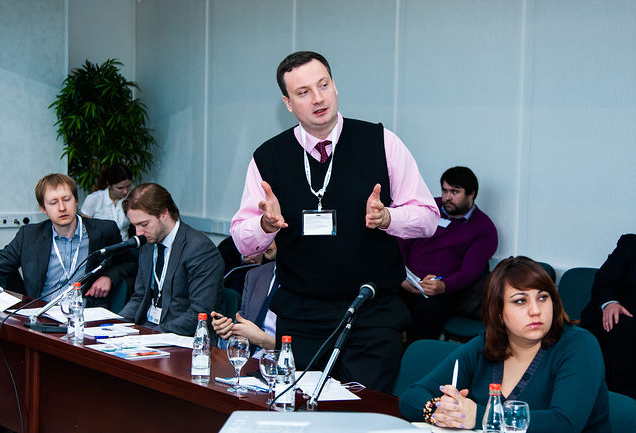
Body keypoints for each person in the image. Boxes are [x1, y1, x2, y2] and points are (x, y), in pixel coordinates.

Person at [231, 51, 439, 392]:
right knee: (299, 409)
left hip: (371, 314)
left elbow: (428, 218)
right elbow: (242, 239)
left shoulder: (381, 142)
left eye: (323, 85)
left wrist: (388, 217)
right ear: (288, 103)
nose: (318, 98)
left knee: (363, 413)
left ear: (335, 86)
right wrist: (265, 226)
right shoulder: (268, 157)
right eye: (303, 92)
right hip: (301, 317)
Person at [399, 256, 609, 433]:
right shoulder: (485, 344)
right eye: (520, 301)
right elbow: (411, 397)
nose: (536, 310)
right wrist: (440, 411)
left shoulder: (579, 345)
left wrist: (479, 416)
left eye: (543, 298)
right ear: (498, 312)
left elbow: (564, 424)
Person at [0, 174, 137, 306]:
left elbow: (131, 262)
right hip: (41, 313)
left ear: (76, 201)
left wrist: (109, 276)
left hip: (84, 314)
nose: (62, 208)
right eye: (53, 202)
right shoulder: (29, 236)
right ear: (43, 208)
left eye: (67, 200)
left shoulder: (104, 231)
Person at [399, 166, 497, 341]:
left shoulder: (484, 228)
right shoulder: (429, 208)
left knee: (426, 315)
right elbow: (402, 242)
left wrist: (443, 286)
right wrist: (401, 276)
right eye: (444, 190)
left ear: (471, 194)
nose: (447, 198)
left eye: (454, 192)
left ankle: (415, 355)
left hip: (441, 289)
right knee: (378, 302)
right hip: (407, 280)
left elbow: (469, 272)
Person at [119, 183, 223, 336]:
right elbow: (140, 297)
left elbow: (199, 314)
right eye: (135, 225)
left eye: (144, 224)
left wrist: (152, 336)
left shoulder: (200, 249)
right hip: (148, 331)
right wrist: (114, 325)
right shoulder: (148, 243)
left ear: (164, 214)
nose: (138, 232)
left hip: (180, 338)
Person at [581, 234, 636, 399]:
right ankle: (620, 401)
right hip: (616, 315)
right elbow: (604, 281)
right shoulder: (630, 244)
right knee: (621, 329)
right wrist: (610, 303)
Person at [212, 242, 278, 355]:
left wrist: (263, 340)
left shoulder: (306, 282)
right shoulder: (255, 275)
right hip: (248, 358)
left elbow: (304, 350)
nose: (265, 241)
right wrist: (228, 329)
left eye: (272, 235)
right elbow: (244, 327)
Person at [81, 164, 133, 240]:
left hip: (125, 244)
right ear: (109, 185)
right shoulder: (94, 199)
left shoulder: (132, 197)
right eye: (120, 188)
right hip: (101, 244)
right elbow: (85, 228)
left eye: (128, 186)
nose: (125, 191)